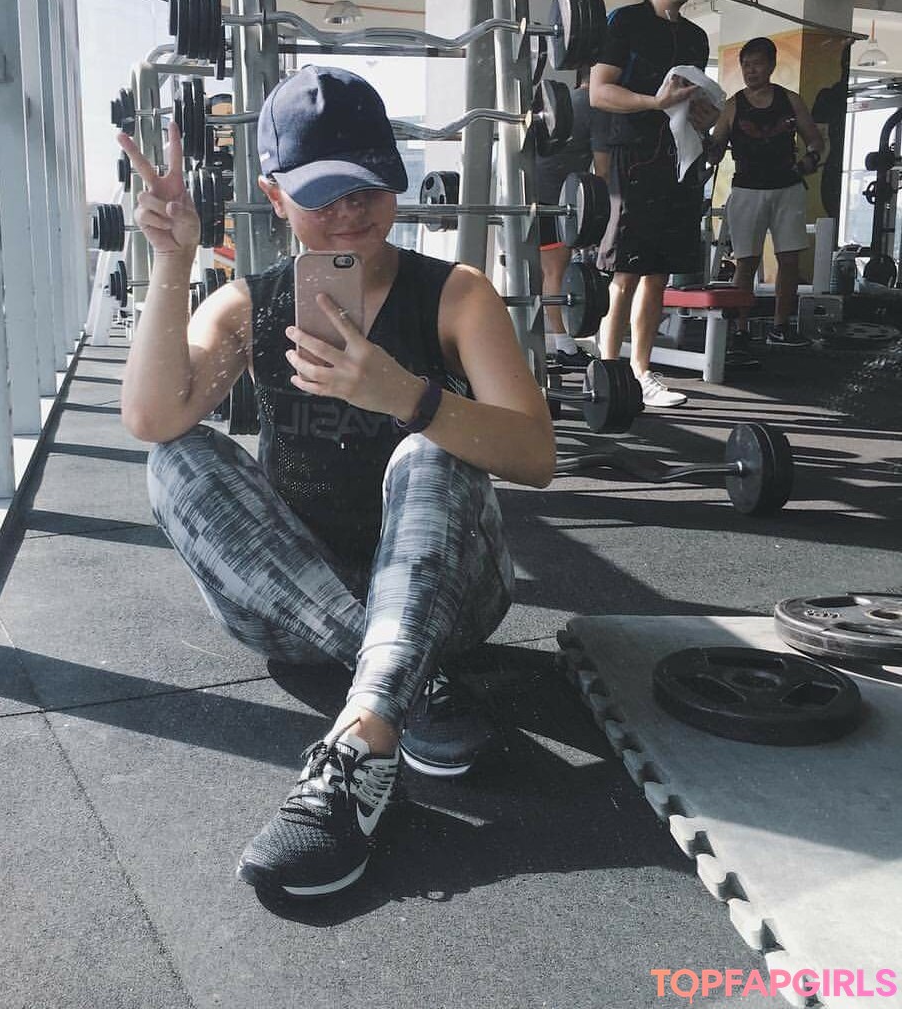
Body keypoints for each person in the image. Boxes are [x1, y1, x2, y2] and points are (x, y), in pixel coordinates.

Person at [116, 66, 555, 900]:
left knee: (431, 448)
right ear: (274, 195)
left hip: (450, 598)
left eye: (367, 187)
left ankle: (363, 736)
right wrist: (172, 260)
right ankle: (401, 681)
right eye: (323, 194)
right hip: (291, 603)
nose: (351, 212)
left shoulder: (457, 297)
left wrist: (408, 396)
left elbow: (536, 454)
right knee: (175, 458)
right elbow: (151, 417)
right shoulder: (248, 305)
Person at [590, 0, 717, 408]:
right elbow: (599, 91)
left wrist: (705, 117)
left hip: (679, 157)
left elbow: (696, 105)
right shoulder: (626, 20)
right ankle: (609, 373)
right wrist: (653, 103)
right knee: (625, 271)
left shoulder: (696, 37)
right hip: (633, 154)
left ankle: (641, 373)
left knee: (658, 273)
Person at [709, 36, 825, 349]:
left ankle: (780, 327)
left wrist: (809, 160)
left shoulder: (790, 100)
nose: (750, 70)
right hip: (747, 189)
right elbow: (715, 151)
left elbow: (815, 140)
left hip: (787, 187)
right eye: (745, 65)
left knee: (789, 259)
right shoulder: (733, 106)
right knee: (746, 261)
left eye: (757, 64)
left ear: (771, 66)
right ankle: (741, 329)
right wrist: (703, 141)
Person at [535, 71, 606, 368]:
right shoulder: (595, 106)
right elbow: (603, 172)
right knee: (555, 271)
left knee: (545, 272)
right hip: (552, 199)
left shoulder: (567, 100)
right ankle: (563, 345)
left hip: (534, 193)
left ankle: (553, 343)